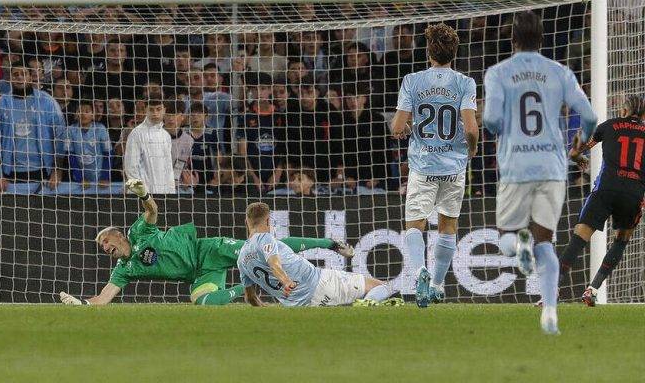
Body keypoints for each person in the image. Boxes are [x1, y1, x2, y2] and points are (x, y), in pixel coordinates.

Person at [483, 11, 597, 335]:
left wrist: (504, 127)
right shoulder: (559, 72)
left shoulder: (498, 73)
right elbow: (589, 114)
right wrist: (582, 138)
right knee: (545, 240)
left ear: (512, 39)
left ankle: (521, 246)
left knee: (507, 236)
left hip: (516, 166)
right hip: (552, 165)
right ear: (543, 40)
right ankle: (549, 312)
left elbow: (491, 119)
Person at [58, 180, 353, 305]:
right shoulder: (124, 269)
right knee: (202, 301)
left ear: (119, 235)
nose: (107, 249)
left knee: (263, 246)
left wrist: (143, 194)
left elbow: (152, 211)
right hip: (200, 273)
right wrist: (83, 304)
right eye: (103, 249)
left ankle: (328, 243)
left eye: (107, 242)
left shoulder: (138, 232)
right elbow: (103, 298)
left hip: (208, 249)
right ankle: (248, 288)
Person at [390, 23, 479, 308]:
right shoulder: (465, 83)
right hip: (454, 168)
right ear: (454, 53)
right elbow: (472, 130)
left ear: (429, 52)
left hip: (423, 166)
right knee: (448, 225)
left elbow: (397, 127)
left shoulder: (412, 81)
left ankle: (419, 274)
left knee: (415, 224)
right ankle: (438, 286)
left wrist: (408, 128)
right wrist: (472, 150)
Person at [558, 95, 645, 306]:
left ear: (624, 111)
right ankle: (593, 289)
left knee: (579, 237)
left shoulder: (609, 125)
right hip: (634, 193)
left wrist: (579, 159)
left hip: (606, 188)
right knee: (621, 240)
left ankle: (552, 290)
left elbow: (576, 151)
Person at [238, 202, 400, 307]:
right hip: (320, 283)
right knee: (382, 286)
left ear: (247, 222)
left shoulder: (242, 259)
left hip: (298, 304)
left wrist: (262, 306)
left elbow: (250, 297)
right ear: (268, 221)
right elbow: (274, 263)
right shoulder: (265, 237)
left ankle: (365, 302)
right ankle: (367, 305)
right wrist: (286, 281)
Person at [0, 62, 66, 193]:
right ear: (11, 78)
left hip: (42, 171)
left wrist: (57, 171)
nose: (19, 77)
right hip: (10, 173)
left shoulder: (47, 102)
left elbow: (60, 135)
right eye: (15, 74)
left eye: (23, 74)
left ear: (30, 77)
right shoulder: (0, 104)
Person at [123, 94, 175, 194]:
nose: (155, 113)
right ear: (146, 110)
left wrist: (171, 194)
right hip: (141, 197)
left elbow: (169, 170)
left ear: (164, 110)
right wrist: (144, 196)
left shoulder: (166, 136)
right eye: (151, 109)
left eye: (158, 109)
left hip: (163, 195)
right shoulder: (136, 134)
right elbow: (130, 170)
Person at [65, 100, 112, 187]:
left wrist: (105, 177)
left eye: (87, 111)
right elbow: (70, 155)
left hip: (99, 178)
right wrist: (80, 178)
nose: (83, 114)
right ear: (76, 114)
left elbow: (107, 154)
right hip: (80, 180)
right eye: (80, 111)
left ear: (93, 115)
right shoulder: (70, 130)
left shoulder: (100, 129)